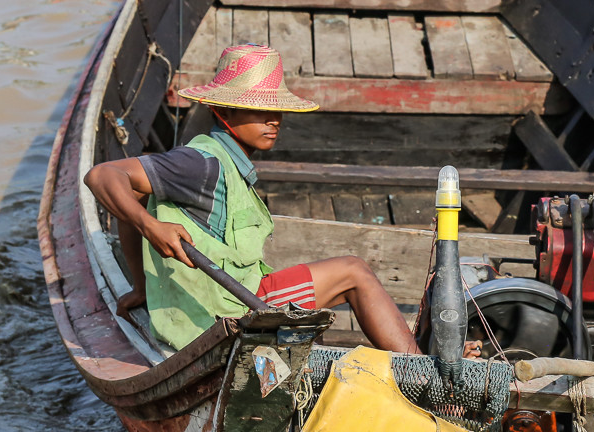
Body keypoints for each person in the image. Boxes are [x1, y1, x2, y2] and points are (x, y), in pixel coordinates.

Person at [83, 44, 420, 354]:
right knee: (354, 272)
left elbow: (137, 197)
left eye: (276, 110)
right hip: (226, 318)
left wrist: (142, 285)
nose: (274, 120)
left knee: (332, 295)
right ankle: (421, 373)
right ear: (222, 110)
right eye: (259, 109)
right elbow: (103, 176)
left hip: (236, 298)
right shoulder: (201, 163)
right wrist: (152, 228)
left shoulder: (228, 161)